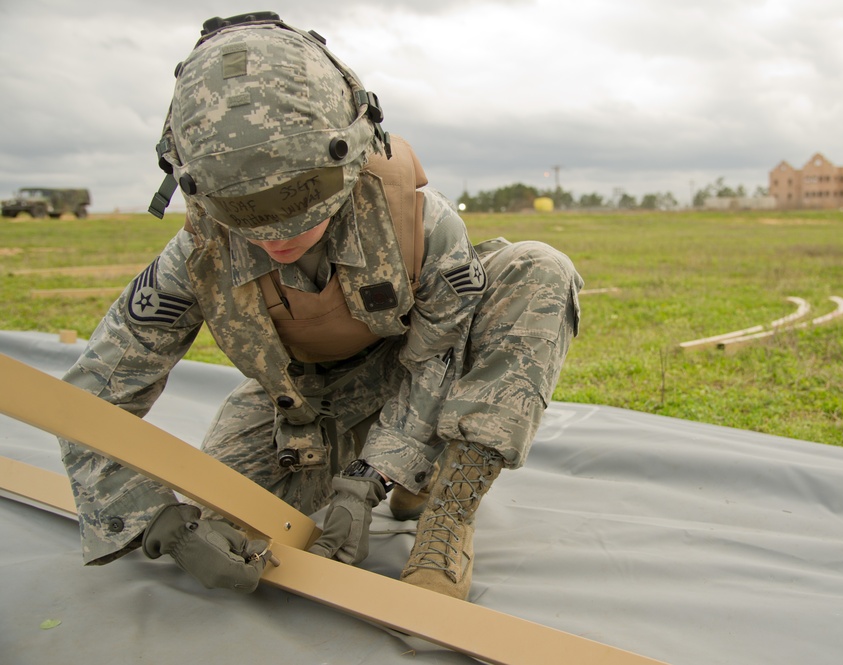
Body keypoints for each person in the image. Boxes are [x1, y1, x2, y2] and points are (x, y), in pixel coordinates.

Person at [58, 13, 581, 601]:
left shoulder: (419, 221)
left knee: (539, 269)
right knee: (232, 523)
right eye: (244, 211)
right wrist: (164, 525)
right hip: (307, 405)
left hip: (417, 377)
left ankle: (445, 510)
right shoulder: (198, 257)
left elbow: (439, 357)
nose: (276, 233)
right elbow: (89, 399)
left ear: (352, 153)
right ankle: (398, 474)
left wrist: (368, 480)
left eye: (299, 197)